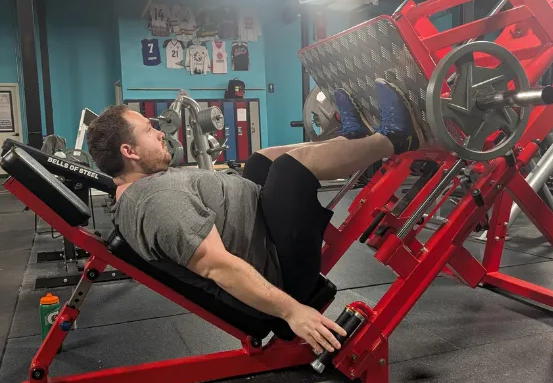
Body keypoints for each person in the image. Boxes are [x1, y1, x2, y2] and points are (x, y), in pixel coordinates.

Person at [87, 79, 423, 356]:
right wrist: (293, 311)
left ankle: (350, 140)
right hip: (279, 269)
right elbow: (218, 267)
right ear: (129, 152)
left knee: (261, 159)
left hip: (261, 227)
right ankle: (394, 139)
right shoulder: (158, 204)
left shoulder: (139, 187)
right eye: (149, 130)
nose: (160, 133)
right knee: (290, 169)